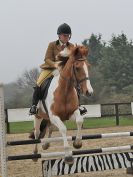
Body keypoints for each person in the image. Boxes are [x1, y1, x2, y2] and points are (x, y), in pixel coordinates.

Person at [29, 23, 87, 115]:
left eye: (68, 35)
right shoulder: (52, 45)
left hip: (65, 70)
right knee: (39, 82)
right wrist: (55, 64)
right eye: (65, 35)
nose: (67, 37)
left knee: (76, 84)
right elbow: (47, 59)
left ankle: (78, 105)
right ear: (59, 35)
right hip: (51, 68)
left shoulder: (71, 46)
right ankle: (34, 106)